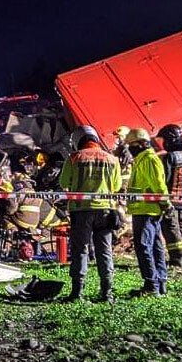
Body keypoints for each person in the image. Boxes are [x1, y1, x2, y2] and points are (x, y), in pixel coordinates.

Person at [59, 126, 122, 303]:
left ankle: (77, 293)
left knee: (81, 250)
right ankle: (107, 293)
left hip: (81, 211)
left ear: (78, 141)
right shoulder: (112, 159)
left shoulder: (74, 157)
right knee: (105, 251)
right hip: (106, 211)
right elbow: (116, 186)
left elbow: (64, 182)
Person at [126, 128, 171, 296]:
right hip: (144, 209)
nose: (130, 148)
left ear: (141, 144)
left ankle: (152, 285)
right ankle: (160, 283)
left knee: (144, 246)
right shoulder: (141, 159)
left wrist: (165, 204)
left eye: (132, 145)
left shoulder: (149, 159)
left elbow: (159, 185)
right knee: (155, 247)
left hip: (147, 210)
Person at [157, 124, 182, 267]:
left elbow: (164, 179)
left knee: (171, 228)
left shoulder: (169, 157)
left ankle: (177, 258)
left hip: (171, 200)